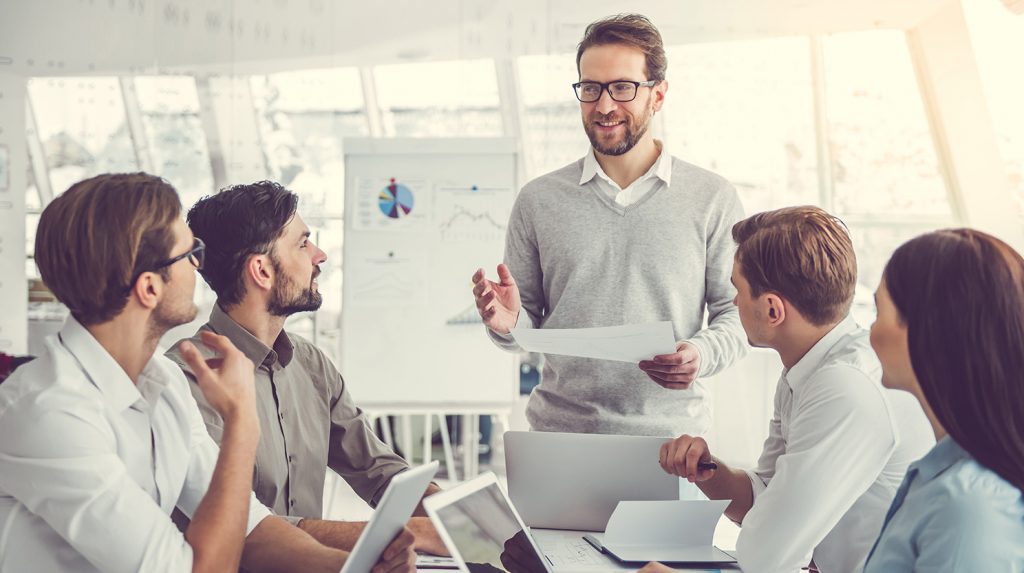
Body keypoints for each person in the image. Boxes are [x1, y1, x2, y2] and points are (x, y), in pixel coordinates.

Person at [0, 173, 415, 572]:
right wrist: (242, 423)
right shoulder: (49, 414)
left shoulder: (160, 381)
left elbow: (254, 532)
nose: (201, 267)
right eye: (189, 255)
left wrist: (355, 567)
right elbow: (197, 568)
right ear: (149, 288)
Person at [471, 13, 746, 436]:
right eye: (591, 88)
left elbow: (735, 314)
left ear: (658, 96)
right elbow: (524, 327)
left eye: (622, 87)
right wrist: (508, 326)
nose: (603, 105)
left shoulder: (712, 198)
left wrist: (700, 353)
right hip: (558, 440)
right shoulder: (539, 200)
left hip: (672, 444)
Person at [165, 180, 445, 555]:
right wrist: (404, 535)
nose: (320, 255)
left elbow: (379, 472)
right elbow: (243, 528)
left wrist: (460, 518)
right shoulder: (186, 382)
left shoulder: (311, 365)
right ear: (261, 271)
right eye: (303, 243)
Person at [648, 206, 933, 573]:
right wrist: (709, 470)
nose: (734, 303)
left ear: (772, 310)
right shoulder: (808, 369)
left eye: (738, 290)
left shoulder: (844, 385)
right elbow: (763, 501)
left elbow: (768, 556)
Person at [863, 228, 1024, 570]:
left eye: (879, 312)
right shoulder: (940, 472)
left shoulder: (968, 505)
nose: (871, 333)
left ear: (928, 327)